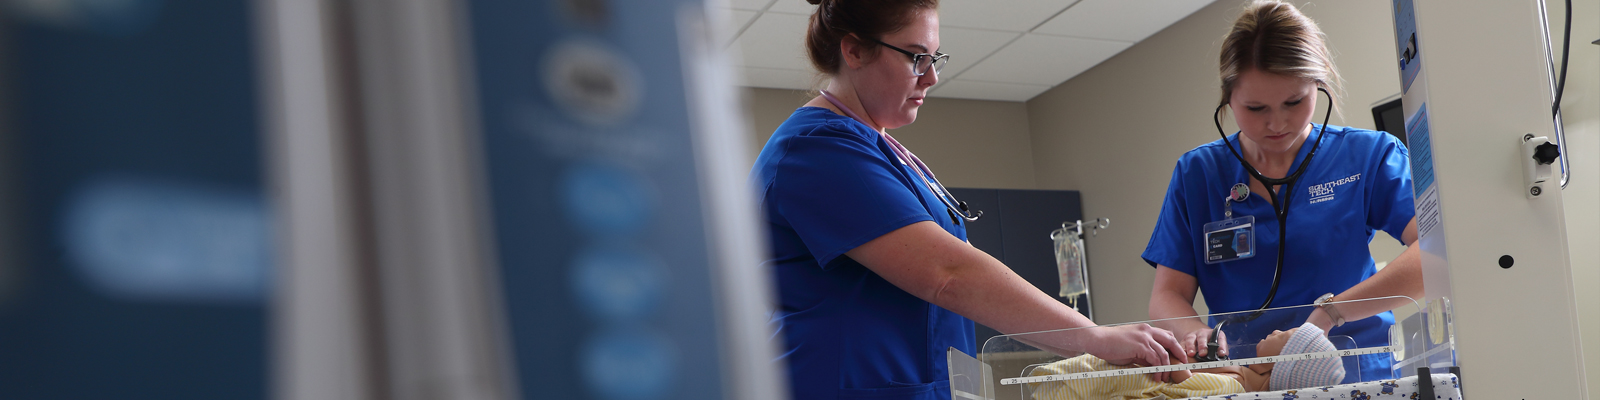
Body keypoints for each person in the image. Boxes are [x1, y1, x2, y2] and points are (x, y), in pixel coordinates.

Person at [750, 0, 1185, 398]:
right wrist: (1095, 337)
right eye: (916, 56)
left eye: (935, 58)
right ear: (854, 51)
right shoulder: (816, 151)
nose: (933, 76)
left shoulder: (882, 150)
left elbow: (965, 279)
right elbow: (949, 273)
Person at [1143, 0, 1423, 383]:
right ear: (1228, 98)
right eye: (1256, 108)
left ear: (1319, 84)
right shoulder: (1198, 174)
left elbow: (1433, 253)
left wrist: (1329, 315)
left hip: (1355, 375)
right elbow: (1167, 295)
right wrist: (1195, 334)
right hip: (1246, 379)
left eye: (1294, 101)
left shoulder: (1368, 157)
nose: (1277, 123)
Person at [1026, 323, 1346, 399]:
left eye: (1285, 335)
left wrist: (1177, 364)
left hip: (1130, 382)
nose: (1276, 329)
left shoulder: (1234, 387)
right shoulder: (1241, 373)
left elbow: (1188, 385)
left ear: (1276, 365)